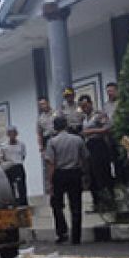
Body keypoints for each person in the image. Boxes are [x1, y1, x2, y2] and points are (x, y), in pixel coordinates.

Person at [44, 115, 89, 244]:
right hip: (75, 172)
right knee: (76, 205)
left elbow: (51, 163)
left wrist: (50, 182)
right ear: (66, 125)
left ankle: (62, 232)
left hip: (59, 174)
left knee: (56, 204)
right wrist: (85, 174)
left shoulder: (52, 142)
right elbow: (85, 158)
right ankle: (76, 237)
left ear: (55, 127)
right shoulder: (78, 139)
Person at [79, 94, 114, 210]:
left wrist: (91, 131)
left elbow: (108, 128)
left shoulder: (98, 115)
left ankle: (108, 202)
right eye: (82, 106)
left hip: (99, 144)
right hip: (89, 146)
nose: (84, 108)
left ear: (90, 103)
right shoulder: (84, 118)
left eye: (85, 105)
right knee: (91, 175)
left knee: (102, 173)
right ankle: (97, 202)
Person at [2, 126, 28, 206]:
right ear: (8, 134)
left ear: (16, 134)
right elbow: (3, 157)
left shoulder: (21, 144)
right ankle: (12, 202)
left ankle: (23, 202)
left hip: (18, 166)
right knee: (10, 186)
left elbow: (23, 155)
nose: (12, 135)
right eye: (10, 133)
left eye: (13, 133)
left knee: (21, 186)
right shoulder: (4, 146)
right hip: (9, 167)